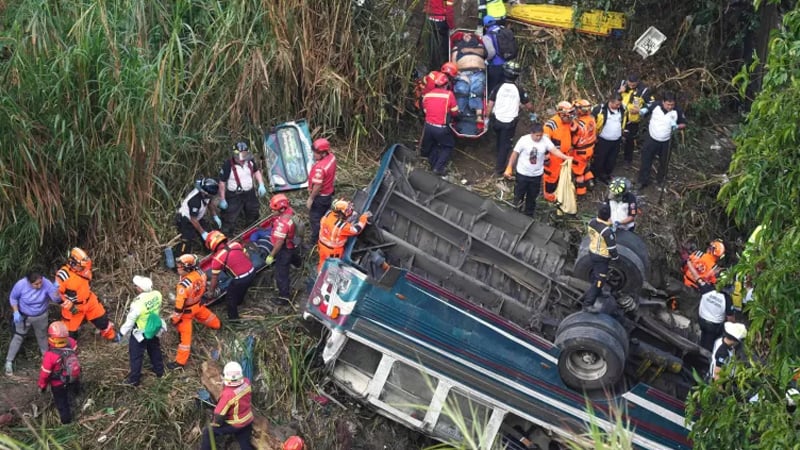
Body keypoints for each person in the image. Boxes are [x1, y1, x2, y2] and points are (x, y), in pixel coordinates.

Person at [504, 123, 572, 217]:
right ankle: (515, 213)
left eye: (540, 135)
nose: (539, 137)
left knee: (532, 197)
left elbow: (554, 151)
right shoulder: (524, 140)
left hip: (536, 175)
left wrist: (566, 157)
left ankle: (528, 215)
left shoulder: (545, 140)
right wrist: (509, 167)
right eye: (537, 135)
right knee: (519, 195)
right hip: (523, 174)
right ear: (532, 133)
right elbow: (515, 154)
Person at [167, 254, 220, 370]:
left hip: (186, 313)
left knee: (185, 339)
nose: (178, 268)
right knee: (211, 319)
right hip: (199, 305)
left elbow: (179, 307)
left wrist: (174, 319)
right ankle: (218, 325)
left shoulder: (183, 286)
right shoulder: (201, 273)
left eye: (180, 266)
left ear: (187, 268)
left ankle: (179, 363)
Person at [55, 248, 119, 341]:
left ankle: (112, 337)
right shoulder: (63, 275)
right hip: (73, 307)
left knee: (103, 321)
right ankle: (69, 351)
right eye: (81, 266)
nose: (84, 268)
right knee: (69, 334)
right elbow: (56, 294)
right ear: (72, 263)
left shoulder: (85, 269)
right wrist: (68, 305)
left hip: (90, 302)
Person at [5, 270, 61, 376]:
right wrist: (16, 312)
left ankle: (47, 361)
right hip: (24, 316)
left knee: (42, 337)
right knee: (18, 337)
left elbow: (56, 299)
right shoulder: (21, 285)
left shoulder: (46, 283)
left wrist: (56, 290)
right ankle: (9, 361)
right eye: (36, 284)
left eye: (40, 283)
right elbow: (13, 298)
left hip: (41, 315)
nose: (39, 286)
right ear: (29, 282)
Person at [486, 61, 534, 176]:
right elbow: (529, 106)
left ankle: (497, 155)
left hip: (497, 121)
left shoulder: (498, 87)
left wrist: (486, 118)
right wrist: (533, 111)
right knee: (505, 146)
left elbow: (490, 104)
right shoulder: (519, 89)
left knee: (499, 139)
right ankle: (499, 170)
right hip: (509, 123)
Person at [119, 276, 165, 386]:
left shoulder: (137, 303)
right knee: (154, 349)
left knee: (135, 355)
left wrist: (121, 333)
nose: (135, 288)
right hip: (153, 328)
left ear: (140, 289)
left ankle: (134, 380)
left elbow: (130, 320)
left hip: (141, 332)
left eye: (136, 286)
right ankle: (159, 371)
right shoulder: (157, 295)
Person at [636, 92, 687, 190]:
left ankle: (660, 180)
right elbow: (646, 109)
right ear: (663, 102)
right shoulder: (656, 105)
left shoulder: (678, 111)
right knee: (646, 159)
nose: (670, 107)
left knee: (664, 162)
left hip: (666, 141)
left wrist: (677, 126)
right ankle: (643, 181)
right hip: (652, 138)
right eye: (668, 104)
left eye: (672, 104)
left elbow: (684, 124)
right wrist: (643, 110)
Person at [200, 361, 254, 450]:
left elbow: (219, 415)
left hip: (235, 424)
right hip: (248, 420)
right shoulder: (246, 382)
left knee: (208, 432)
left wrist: (215, 424)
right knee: (245, 445)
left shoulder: (228, 394)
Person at [217, 141, 267, 236]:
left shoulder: (250, 161)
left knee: (253, 212)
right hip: (234, 196)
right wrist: (222, 199)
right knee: (229, 217)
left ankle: (251, 231)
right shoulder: (228, 165)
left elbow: (256, 172)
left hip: (249, 193)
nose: (243, 158)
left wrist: (261, 184)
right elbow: (222, 183)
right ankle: (227, 237)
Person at [205, 231, 255, 320]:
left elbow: (214, 278)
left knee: (230, 297)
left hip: (240, 279)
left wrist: (211, 292)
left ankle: (233, 319)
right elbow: (247, 255)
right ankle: (239, 301)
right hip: (252, 271)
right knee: (242, 288)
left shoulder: (217, 259)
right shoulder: (235, 244)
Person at [38, 321, 79, 424]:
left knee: (62, 403)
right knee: (72, 392)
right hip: (73, 377)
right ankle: (76, 397)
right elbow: (75, 352)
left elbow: (45, 374)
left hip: (58, 384)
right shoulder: (72, 342)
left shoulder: (50, 355)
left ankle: (66, 422)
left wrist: (42, 386)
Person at [421, 72, 459, 176]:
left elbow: (425, 110)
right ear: (446, 84)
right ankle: (438, 168)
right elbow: (455, 111)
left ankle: (433, 166)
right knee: (448, 146)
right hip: (440, 128)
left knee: (432, 145)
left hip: (428, 126)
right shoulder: (449, 95)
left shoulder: (427, 95)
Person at [318, 200, 372, 273]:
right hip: (333, 252)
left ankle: (320, 273)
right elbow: (356, 230)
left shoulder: (328, 214)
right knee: (332, 268)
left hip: (322, 246)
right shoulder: (341, 227)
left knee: (322, 262)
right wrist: (363, 218)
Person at [582, 203, 618, 309]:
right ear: (609, 216)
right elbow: (612, 248)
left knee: (595, 274)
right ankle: (588, 303)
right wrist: (616, 257)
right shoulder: (606, 232)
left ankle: (599, 292)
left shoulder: (592, 222)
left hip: (592, 252)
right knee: (599, 280)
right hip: (601, 257)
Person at [264, 194, 298, 306]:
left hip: (284, 249)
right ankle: (298, 263)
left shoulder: (282, 223)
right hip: (292, 242)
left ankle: (284, 298)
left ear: (282, 209)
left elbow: (279, 243)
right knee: (293, 256)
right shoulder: (290, 211)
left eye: (274, 210)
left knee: (281, 274)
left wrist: (271, 255)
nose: (272, 212)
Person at [450, 32, 487, 133]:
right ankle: (459, 115)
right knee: (462, 90)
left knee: (476, 89)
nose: (466, 35)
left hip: (478, 72)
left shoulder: (479, 46)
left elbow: (483, 53)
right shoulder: (457, 47)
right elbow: (453, 64)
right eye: (464, 35)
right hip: (462, 73)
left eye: (469, 35)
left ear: (473, 37)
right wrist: (460, 75)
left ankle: (478, 117)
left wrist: (469, 49)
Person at [175, 177, 221, 255]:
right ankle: (181, 258)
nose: (211, 197)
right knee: (187, 240)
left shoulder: (206, 194)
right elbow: (193, 219)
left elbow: (209, 203)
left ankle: (209, 252)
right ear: (204, 193)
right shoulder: (195, 201)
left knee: (209, 234)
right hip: (187, 219)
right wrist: (202, 233)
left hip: (197, 217)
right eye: (210, 195)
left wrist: (215, 216)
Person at [617, 73, 655, 164]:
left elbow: (652, 104)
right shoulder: (622, 84)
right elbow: (612, 97)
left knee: (629, 140)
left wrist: (641, 111)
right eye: (629, 84)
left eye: (633, 85)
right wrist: (619, 91)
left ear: (637, 82)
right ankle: (614, 157)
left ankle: (627, 160)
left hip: (632, 120)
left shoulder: (644, 90)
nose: (630, 86)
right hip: (618, 116)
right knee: (615, 137)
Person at [542, 101, 575, 202]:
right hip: (553, 157)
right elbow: (544, 142)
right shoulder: (550, 125)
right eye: (567, 116)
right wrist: (546, 156)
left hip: (565, 155)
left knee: (561, 175)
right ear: (561, 114)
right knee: (551, 176)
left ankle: (557, 192)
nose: (569, 118)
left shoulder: (568, 122)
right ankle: (548, 195)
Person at [306, 138, 337, 244]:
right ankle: (326, 232)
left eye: (316, 153)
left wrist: (311, 198)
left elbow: (318, 186)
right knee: (326, 216)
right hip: (328, 194)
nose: (314, 155)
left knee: (315, 220)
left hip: (320, 198)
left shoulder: (320, 168)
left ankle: (316, 241)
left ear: (323, 153)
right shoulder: (332, 158)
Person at [591, 93, 626, 184]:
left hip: (616, 140)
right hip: (603, 140)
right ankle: (595, 176)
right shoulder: (600, 109)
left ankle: (606, 175)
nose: (618, 106)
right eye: (616, 104)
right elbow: (591, 122)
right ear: (610, 102)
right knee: (600, 159)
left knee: (611, 159)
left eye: (619, 104)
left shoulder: (622, 109)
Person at [697, 282, 735, 352]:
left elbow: (697, 278)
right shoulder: (727, 299)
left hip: (701, 320)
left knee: (703, 338)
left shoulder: (707, 288)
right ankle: (703, 359)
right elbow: (730, 319)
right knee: (708, 346)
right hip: (714, 327)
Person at [570, 99, 597, 196]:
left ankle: (581, 191)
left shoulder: (578, 124)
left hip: (580, 151)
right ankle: (590, 182)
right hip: (590, 148)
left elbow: (573, 134)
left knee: (578, 172)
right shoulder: (592, 119)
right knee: (585, 167)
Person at [482, 16, 513, 95]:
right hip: (507, 64)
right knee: (504, 88)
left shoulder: (487, 37)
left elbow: (491, 52)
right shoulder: (504, 31)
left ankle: (492, 105)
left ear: (485, 26)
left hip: (495, 65)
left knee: (493, 89)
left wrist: (486, 60)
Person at [425, 0, 455, 70]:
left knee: (431, 47)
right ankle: (444, 68)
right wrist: (451, 25)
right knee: (444, 47)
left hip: (430, 21)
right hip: (442, 21)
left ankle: (432, 69)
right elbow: (449, 8)